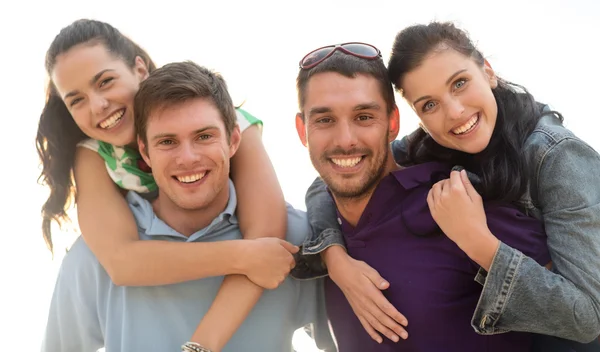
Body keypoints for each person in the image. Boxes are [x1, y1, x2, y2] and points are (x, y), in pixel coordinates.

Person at [296, 24, 600, 350]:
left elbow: (587, 317)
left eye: (460, 83)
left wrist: (476, 240)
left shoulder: (555, 155)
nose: (454, 113)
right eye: (429, 104)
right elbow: (335, 177)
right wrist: (335, 258)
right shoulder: (433, 143)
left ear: (487, 71)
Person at [41, 61, 334, 352]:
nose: (188, 157)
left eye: (204, 136)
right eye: (168, 142)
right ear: (144, 151)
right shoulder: (91, 262)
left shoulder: (297, 239)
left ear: (233, 140)